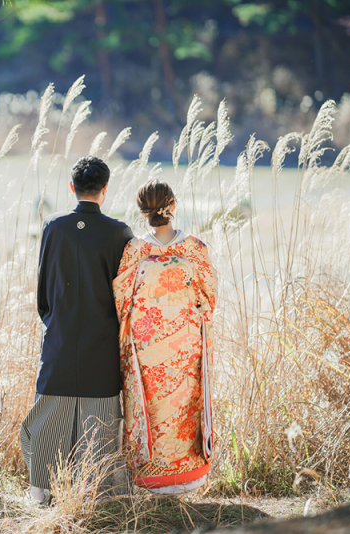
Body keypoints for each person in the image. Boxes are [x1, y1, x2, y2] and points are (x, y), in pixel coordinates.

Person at [20, 156, 134, 504]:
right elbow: (125, 293)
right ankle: (96, 491)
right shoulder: (120, 232)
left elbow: (43, 290)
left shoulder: (53, 226)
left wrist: (55, 321)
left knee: (48, 415)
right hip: (102, 339)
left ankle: (39, 491)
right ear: (105, 189)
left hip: (60, 336)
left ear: (72, 188)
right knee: (100, 418)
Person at [112, 180, 216, 495]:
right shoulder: (195, 249)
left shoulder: (135, 250)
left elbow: (121, 301)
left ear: (142, 211)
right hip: (187, 345)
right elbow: (209, 300)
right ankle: (188, 477)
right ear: (173, 205)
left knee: (148, 408)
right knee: (185, 407)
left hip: (146, 349)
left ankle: (149, 478)